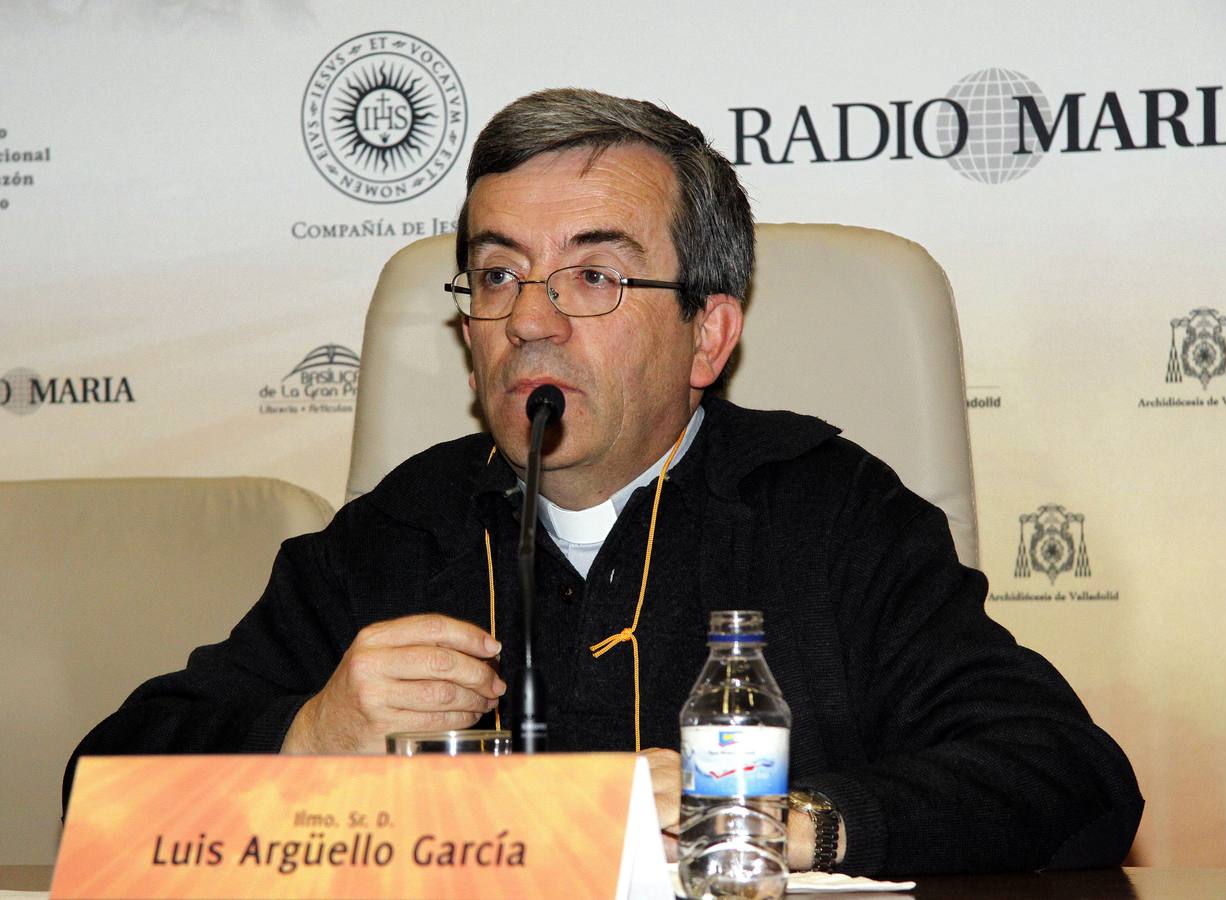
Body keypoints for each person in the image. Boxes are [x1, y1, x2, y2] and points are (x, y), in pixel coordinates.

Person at [65, 88, 1142, 875]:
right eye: (495, 275)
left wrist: (776, 819)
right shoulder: (396, 534)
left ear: (706, 334)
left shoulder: (832, 515)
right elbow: (97, 795)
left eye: (592, 275)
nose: (529, 318)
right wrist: (308, 740)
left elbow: (1068, 777)